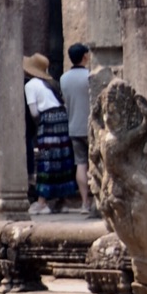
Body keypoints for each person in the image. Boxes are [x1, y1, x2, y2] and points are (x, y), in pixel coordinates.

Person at [24, 54, 79, 213]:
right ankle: (63, 201)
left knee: (46, 160)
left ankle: (42, 202)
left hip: (47, 120)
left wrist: (37, 127)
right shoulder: (51, 83)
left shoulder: (31, 85)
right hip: (62, 118)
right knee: (62, 159)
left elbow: (34, 112)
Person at [59, 43, 93, 214]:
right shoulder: (90, 77)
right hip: (91, 126)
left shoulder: (63, 79)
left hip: (73, 126)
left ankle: (84, 202)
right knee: (96, 163)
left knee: (80, 163)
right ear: (85, 57)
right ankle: (98, 200)